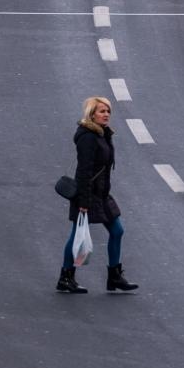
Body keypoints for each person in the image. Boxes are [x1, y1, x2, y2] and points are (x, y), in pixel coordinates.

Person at [57, 95, 138, 294]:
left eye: (108, 111)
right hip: (87, 194)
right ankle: (66, 277)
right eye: (102, 111)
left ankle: (114, 277)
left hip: (101, 194)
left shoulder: (102, 134)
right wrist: (84, 201)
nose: (106, 114)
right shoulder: (88, 137)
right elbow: (84, 171)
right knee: (77, 235)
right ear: (92, 114)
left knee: (117, 231)